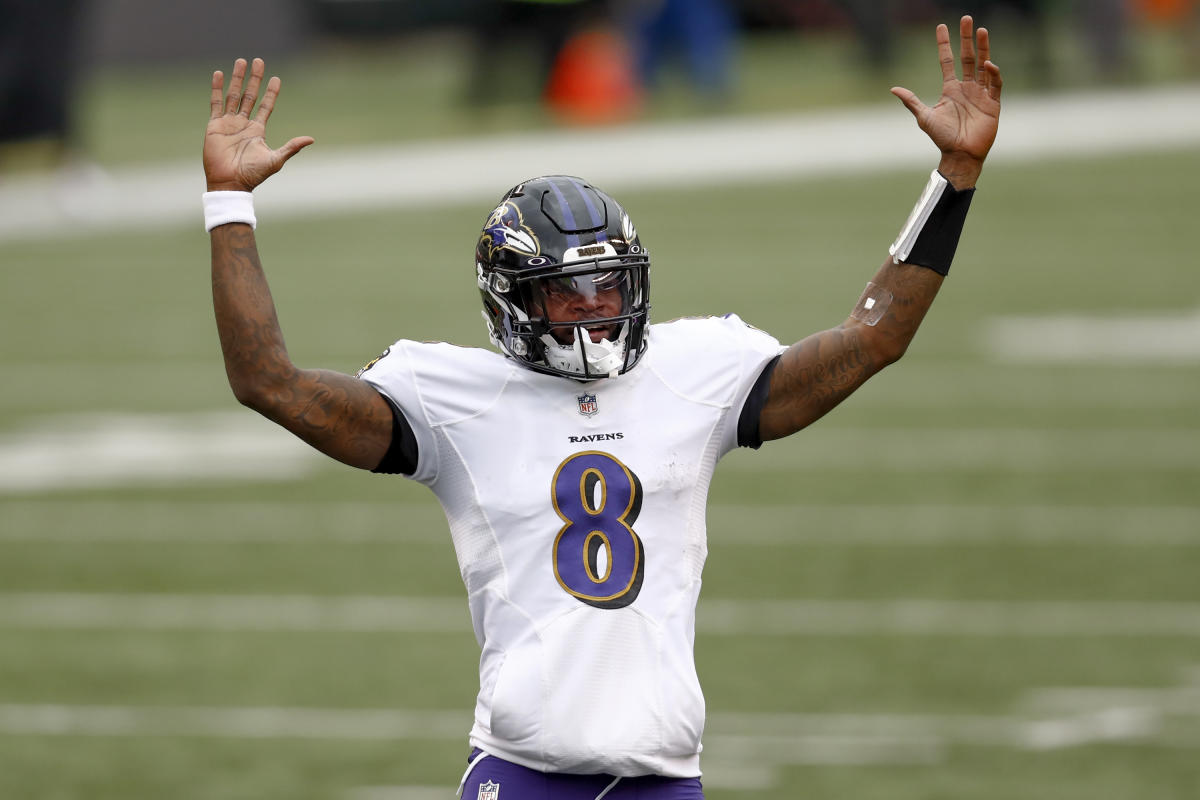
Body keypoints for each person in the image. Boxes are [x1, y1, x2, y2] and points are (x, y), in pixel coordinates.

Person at [202, 15, 1001, 800]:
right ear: (510, 301)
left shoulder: (695, 371)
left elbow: (873, 338)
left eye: (607, 287)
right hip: (520, 773)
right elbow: (266, 380)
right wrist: (230, 204)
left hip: (663, 775)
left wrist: (954, 176)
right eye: (566, 295)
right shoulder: (453, 400)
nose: (594, 311)